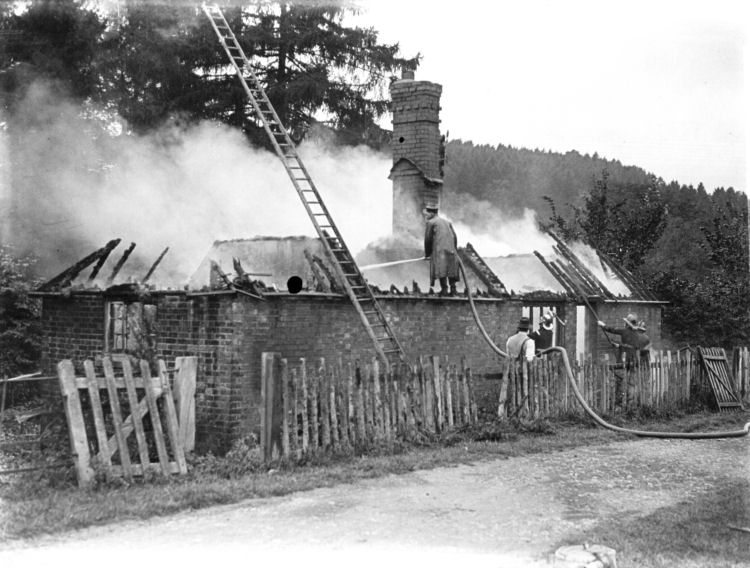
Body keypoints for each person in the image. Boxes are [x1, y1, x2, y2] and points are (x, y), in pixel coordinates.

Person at [498, 316, 536, 418]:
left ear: (519, 328)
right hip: (523, 373)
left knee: (511, 393)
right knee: (525, 394)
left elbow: (508, 355)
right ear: (528, 329)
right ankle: (524, 414)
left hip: (511, 372)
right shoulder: (529, 342)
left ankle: (508, 414)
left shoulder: (510, 340)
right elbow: (529, 359)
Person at [423, 206, 459, 296]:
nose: (425, 215)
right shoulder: (447, 222)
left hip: (440, 251)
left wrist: (427, 254)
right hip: (451, 250)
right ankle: (453, 290)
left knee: (441, 267)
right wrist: (454, 249)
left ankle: (444, 289)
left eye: (426, 214)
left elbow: (428, 239)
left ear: (431, 213)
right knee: (450, 268)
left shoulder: (431, 223)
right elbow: (455, 237)